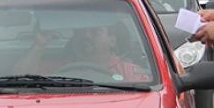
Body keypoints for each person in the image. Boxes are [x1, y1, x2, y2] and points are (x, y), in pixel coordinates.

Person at [14, 23, 150, 82]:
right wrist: (39, 45)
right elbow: (18, 79)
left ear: (112, 40)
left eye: (95, 31)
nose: (86, 35)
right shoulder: (55, 68)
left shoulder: (132, 74)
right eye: (81, 31)